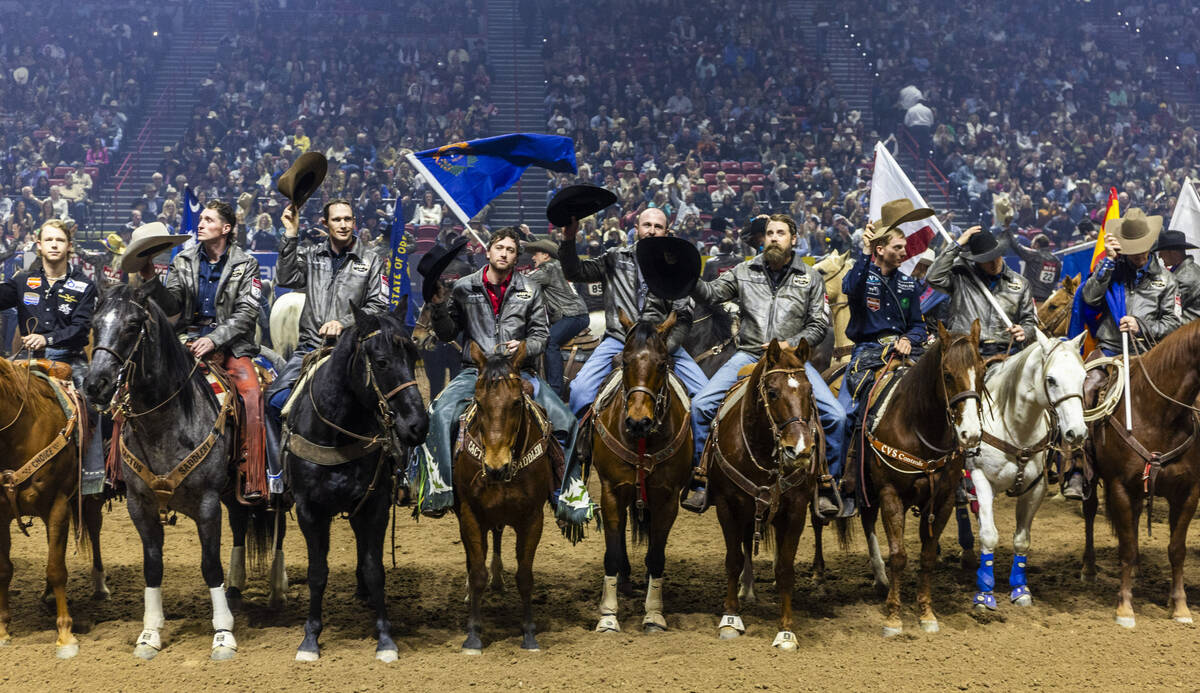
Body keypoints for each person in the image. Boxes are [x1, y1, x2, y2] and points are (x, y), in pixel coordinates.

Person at [418, 227, 586, 523]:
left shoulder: (530, 289)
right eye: (500, 248)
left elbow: (541, 336)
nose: (504, 253)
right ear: (489, 251)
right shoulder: (463, 288)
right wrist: (438, 307)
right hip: (475, 371)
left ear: (515, 256)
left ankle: (566, 495)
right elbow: (447, 334)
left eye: (510, 250)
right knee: (438, 413)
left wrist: (523, 346)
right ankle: (437, 489)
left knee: (567, 421)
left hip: (519, 372)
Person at [683, 214, 846, 513]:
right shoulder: (744, 271)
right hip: (748, 355)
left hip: (791, 361)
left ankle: (827, 484)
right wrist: (688, 276)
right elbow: (711, 292)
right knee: (701, 406)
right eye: (770, 232)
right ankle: (701, 479)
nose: (774, 237)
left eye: (781, 232)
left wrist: (792, 344)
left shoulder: (810, 278)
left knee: (836, 416)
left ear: (793, 239)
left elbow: (819, 325)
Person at [138, 204, 268, 501]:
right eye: (200, 219)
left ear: (225, 229)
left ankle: (252, 472)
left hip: (232, 344)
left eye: (208, 220)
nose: (200, 224)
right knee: (140, 380)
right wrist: (151, 281)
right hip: (186, 339)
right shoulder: (182, 259)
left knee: (251, 394)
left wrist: (215, 339)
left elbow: (247, 312)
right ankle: (119, 470)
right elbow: (172, 307)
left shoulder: (246, 264)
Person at [265, 199, 390, 494]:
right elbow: (285, 277)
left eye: (348, 219)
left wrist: (344, 324)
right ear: (325, 224)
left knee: (391, 403)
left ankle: (398, 471)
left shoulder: (371, 259)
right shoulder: (310, 255)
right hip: (311, 347)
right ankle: (278, 475)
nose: (344, 225)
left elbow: (378, 305)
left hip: (354, 350)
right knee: (272, 402)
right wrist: (291, 234)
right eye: (337, 220)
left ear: (354, 222)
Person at [1066, 208, 1181, 499]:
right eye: (1132, 250)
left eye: (1141, 249)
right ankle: (1077, 467)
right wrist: (1107, 263)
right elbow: (1088, 297)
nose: (1138, 255)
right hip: (1109, 351)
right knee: (1083, 390)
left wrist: (1141, 325)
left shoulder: (1165, 282)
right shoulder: (1111, 270)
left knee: (1187, 398)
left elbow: (1173, 324)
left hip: (1150, 355)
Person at [559, 207, 708, 419]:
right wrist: (569, 239)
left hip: (661, 343)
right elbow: (576, 272)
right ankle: (579, 450)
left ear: (666, 232)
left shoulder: (674, 266)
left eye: (658, 227)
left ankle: (699, 453)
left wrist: (664, 347)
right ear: (636, 228)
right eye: (647, 225)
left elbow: (683, 317)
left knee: (705, 397)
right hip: (619, 339)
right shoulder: (614, 258)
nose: (652, 231)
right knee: (579, 391)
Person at [836, 203, 929, 517]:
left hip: (905, 353)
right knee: (848, 415)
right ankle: (845, 484)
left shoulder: (908, 284)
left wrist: (909, 338)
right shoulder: (862, 276)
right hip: (867, 354)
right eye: (898, 247)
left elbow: (918, 325)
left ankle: (950, 480)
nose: (905, 252)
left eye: (904, 247)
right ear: (880, 249)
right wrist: (863, 253)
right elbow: (850, 287)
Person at [0, 219, 103, 494]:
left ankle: (93, 476)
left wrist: (47, 338)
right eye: (49, 240)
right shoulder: (23, 280)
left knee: (94, 403)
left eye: (59, 240)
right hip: (26, 361)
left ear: (69, 246)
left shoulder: (84, 285)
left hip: (70, 360)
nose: (54, 244)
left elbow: (81, 328)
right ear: (39, 246)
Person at [926, 225, 1037, 359]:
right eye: (986, 259)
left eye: (996, 256)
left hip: (1005, 352)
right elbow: (933, 277)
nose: (993, 263)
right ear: (976, 260)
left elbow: (1029, 320)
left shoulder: (1021, 284)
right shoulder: (960, 276)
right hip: (964, 350)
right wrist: (957, 244)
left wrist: (1024, 331)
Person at [524, 239, 588, 398]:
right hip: (577, 314)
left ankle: (555, 390)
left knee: (549, 341)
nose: (533, 258)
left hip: (572, 315)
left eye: (536, 254)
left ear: (546, 255)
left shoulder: (548, 268)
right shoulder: (558, 267)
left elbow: (524, 283)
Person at [1002, 230, 1061, 304]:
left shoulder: (1034, 255)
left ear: (1036, 244)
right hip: (1046, 299)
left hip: (1031, 297)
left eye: (1032, 243)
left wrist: (1008, 231)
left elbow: (1017, 247)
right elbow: (1056, 279)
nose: (1031, 245)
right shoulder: (1056, 260)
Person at [1154, 230, 1200, 322]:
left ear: (1173, 253)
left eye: (1161, 252)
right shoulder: (1191, 269)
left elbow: (1167, 309)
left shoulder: (1184, 278)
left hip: (1187, 328)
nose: (1159, 256)